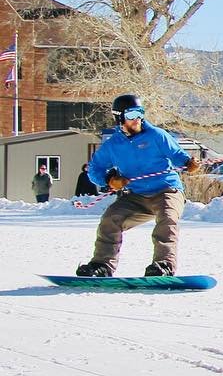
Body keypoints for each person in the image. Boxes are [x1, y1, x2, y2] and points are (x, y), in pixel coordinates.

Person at [75, 94, 201, 277]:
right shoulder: (113, 145)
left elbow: (180, 157)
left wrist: (191, 164)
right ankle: (101, 266)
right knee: (110, 219)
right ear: (119, 117)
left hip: (166, 190)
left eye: (140, 113)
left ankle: (163, 265)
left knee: (167, 219)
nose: (137, 119)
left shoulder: (157, 135)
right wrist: (110, 179)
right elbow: (94, 169)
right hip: (136, 196)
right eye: (131, 114)